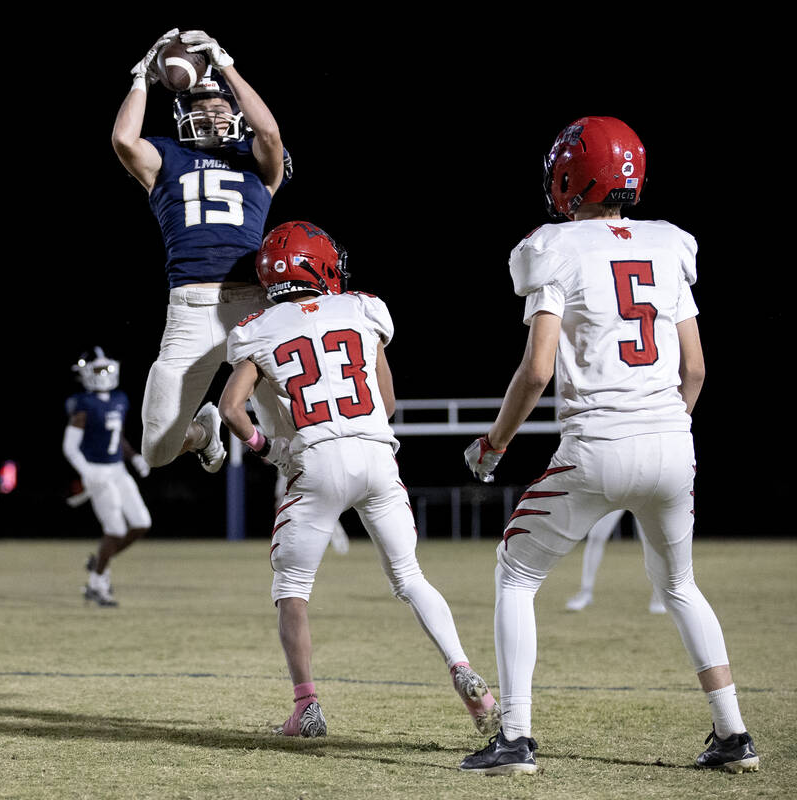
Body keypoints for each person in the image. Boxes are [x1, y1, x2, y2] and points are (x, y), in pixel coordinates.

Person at [460, 117, 758, 775]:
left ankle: (515, 739)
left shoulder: (554, 247)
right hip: (673, 442)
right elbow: (697, 370)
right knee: (680, 585)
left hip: (597, 443)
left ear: (572, 176)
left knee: (516, 572)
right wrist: (665, 429)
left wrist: (494, 443)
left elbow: (536, 370)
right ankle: (734, 735)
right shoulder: (669, 244)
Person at [218, 221, 500, 739]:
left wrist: (270, 450)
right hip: (376, 455)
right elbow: (387, 403)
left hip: (316, 461)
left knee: (293, 589)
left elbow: (232, 410)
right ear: (319, 266)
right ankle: (464, 671)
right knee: (410, 577)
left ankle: (306, 708)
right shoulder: (359, 308)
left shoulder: (257, 328)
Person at [112, 28, 292, 475]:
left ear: (235, 112)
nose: (211, 115)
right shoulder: (166, 156)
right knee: (156, 448)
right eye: (201, 107)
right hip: (190, 309)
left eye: (220, 107)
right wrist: (141, 77)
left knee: (290, 431)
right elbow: (123, 140)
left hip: (255, 306)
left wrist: (224, 63)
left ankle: (300, 520)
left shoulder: (258, 161)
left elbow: (269, 131)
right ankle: (203, 432)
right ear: (183, 115)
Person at [63, 347, 153, 607]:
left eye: (106, 369)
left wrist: (134, 456)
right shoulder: (83, 404)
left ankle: (100, 561)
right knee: (115, 529)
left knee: (141, 523)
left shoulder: (120, 399)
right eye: (98, 369)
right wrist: (86, 471)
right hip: (97, 471)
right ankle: (96, 585)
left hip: (118, 469)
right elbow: (69, 446)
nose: (103, 374)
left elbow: (118, 437)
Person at [565, 510, 666, 614]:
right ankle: (585, 591)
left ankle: (659, 596)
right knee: (596, 536)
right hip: (619, 494)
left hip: (643, 495)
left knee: (651, 541)